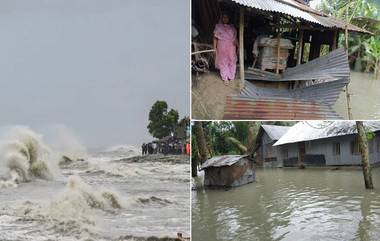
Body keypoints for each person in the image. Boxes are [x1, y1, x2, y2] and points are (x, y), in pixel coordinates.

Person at [213, 13, 238, 85]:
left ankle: (231, 76)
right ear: (221, 18)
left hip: (231, 47)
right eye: (224, 17)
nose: (225, 19)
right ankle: (225, 78)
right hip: (222, 46)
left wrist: (238, 46)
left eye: (227, 17)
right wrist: (214, 48)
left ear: (229, 18)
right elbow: (215, 38)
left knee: (232, 61)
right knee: (223, 62)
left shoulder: (232, 27)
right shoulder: (218, 27)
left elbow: (235, 38)